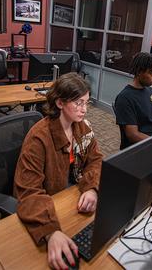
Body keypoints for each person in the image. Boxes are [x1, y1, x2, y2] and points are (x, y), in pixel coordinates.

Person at [14, 73, 103, 270]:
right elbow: (28, 192)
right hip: (49, 205)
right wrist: (51, 232)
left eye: (86, 103)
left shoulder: (82, 127)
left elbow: (96, 160)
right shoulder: (39, 138)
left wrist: (91, 188)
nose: (84, 110)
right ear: (60, 103)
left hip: (72, 196)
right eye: (78, 103)